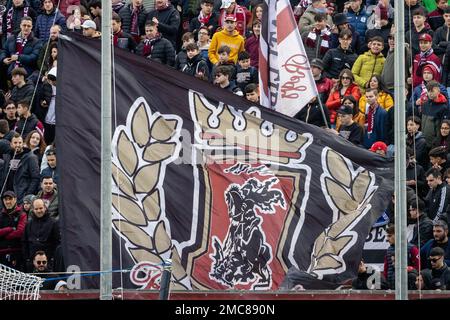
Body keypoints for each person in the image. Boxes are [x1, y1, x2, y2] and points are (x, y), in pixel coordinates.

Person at [0, 132, 40, 204]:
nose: (18, 145)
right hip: (7, 196)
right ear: (11, 144)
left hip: (21, 196)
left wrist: (27, 195)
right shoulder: (7, 156)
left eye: (20, 142)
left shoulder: (30, 157)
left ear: (23, 143)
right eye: (15, 143)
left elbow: (35, 178)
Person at [22, 198, 60, 269]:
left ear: (45, 208)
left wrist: (52, 259)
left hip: (48, 263)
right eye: (36, 209)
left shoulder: (53, 223)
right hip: (32, 264)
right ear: (33, 210)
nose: (39, 211)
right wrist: (27, 259)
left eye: (41, 208)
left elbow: (57, 243)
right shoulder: (28, 224)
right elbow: (24, 242)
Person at [383, 224, 420, 290]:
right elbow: (386, 270)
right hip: (391, 288)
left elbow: (418, 268)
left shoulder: (412, 249)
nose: (387, 239)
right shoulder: (389, 250)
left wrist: (407, 269)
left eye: (389, 236)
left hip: (407, 289)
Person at [0, 191, 27, 271]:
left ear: (15, 199)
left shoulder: (22, 214)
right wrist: (10, 229)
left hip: (16, 253)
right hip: (1, 253)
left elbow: (20, 232)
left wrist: (4, 235)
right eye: (6, 199)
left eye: (10, 199)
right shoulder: (0, 215)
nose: (8, 201)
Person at [420, 80, 450, 149]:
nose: (430, 93)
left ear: (438, 91)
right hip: (424, 142)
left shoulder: (443, 107)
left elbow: (444, 127)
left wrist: (437, 142)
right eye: (428, 91)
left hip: (435, 144)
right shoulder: (425, 104)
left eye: (432, 91)